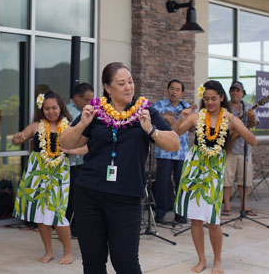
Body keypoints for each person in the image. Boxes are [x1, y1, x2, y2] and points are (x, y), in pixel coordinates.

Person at [60, 62, 180, 273]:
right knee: (93, 264)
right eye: (122, 83)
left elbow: (174, 144)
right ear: (108, 87)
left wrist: (151, 130)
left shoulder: (144, 111)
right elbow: (66, 144)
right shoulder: (95, 111)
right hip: (89, 195)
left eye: (130, 82)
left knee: (126, 264)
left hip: (126, 197)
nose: (128, 87)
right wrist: (82, 124)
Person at [173, 80, 257, 274]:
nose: (209, 102)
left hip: (214, 169)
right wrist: (181, 117)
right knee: (195, 218)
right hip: (194, 168)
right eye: (206, 98)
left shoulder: (229, 118)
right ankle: (201, 260)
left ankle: (217, 261)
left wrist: (237, 123)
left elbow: (253, 140)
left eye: (214, 98)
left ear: (221, 98)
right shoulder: (196, 118)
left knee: (213, 219)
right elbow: (174, 133)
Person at [11, 91, 75, 265]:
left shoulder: (68, 126)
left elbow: (84, 146)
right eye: (47, 108)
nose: (51, 111)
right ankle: (49, 251)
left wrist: (71, 151)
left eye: (54, 107)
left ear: (60, 108)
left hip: (58, 173)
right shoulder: (36, 126)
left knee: (58, 213)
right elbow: (18, 139)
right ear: (42, 109)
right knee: (40, 213)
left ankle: (68, 252)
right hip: (37, 172)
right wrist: (17, 139)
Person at [152, 79, 191, 224]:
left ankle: (180, 214)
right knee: (162, 183)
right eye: (172, 89)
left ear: (182, 93)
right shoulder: (159, 105)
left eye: (177, 89)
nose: (174, 92)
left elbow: (192, 128)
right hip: (164, 150)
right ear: (168, 90)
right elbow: (150, 118)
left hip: (181, 152)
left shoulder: (186, 106)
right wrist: (165, 117)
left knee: (181, 183)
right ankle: (160, 213)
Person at [222, 81, 258, 217]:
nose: (235, 93)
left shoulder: (248, 107)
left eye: (238, 91)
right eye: (233, 90)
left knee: (245, 180)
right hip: (229, 149)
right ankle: (227, 206)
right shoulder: (225, 107)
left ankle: (245, 206)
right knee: (227, 179)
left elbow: (253, 125)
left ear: (243, 94)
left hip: (244, 149)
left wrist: (252, 117)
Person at [65, 83, 94, 237]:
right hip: (70, 161)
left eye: (91, 100)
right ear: (77, 97)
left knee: (79, 196)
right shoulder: (68, 111)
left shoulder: (88, 110)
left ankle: (77, 225)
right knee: (70, 195)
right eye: (86, 100)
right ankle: (67, 226)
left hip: (82, 160)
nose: (89, 103)